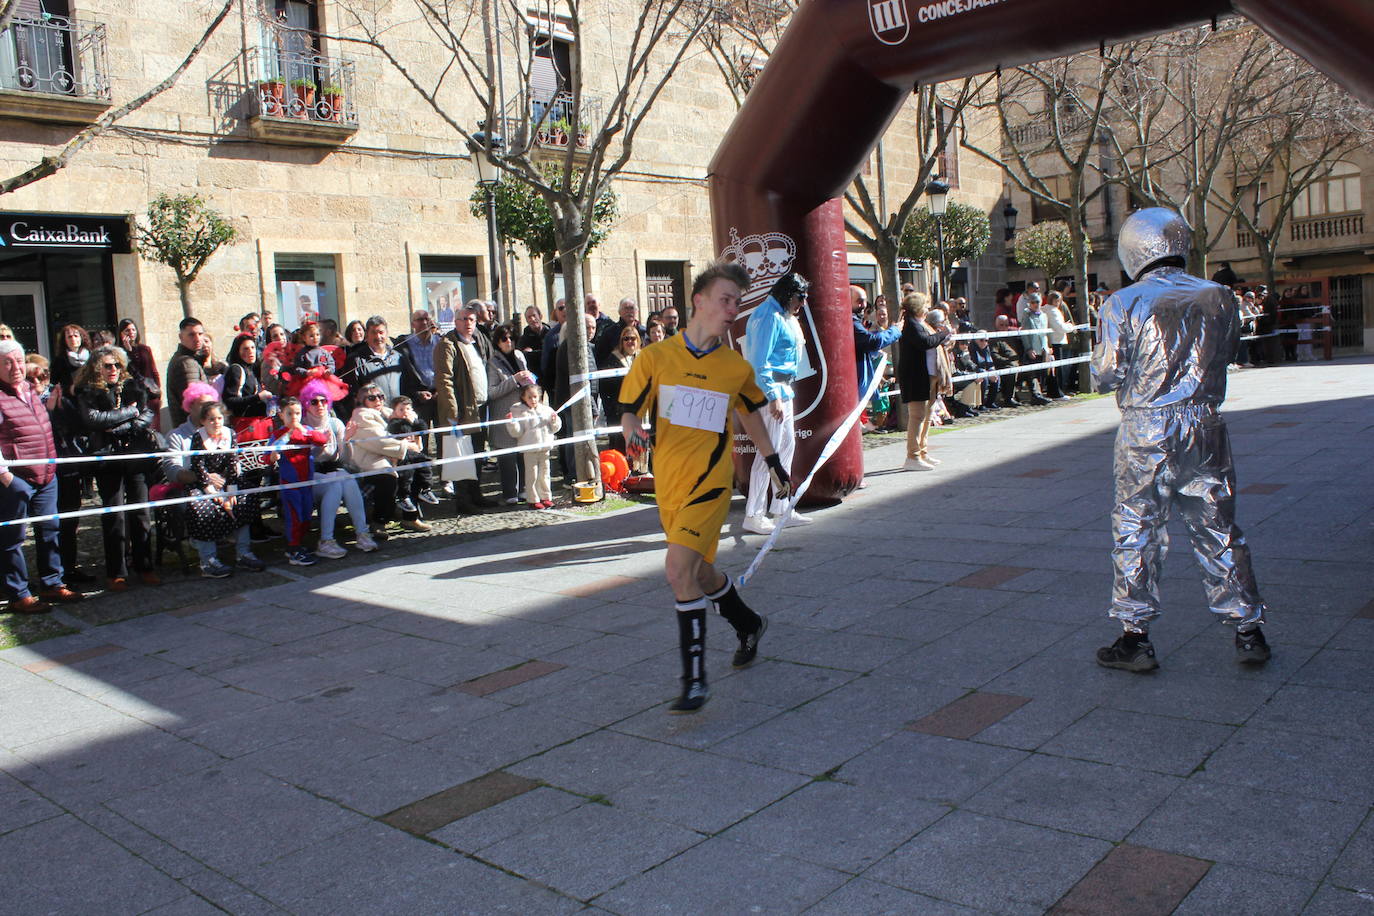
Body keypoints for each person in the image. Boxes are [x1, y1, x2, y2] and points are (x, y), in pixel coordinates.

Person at [1092, 207, 1270, 673]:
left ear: (1133, 248)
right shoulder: (1220, 296)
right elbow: (1228, 352)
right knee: (1218, 525)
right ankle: (1248, 630)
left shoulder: (1121, 302)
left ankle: (1136, 637)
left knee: (1136, 527)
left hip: (1146, 427)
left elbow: (1105, 372)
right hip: (1205, 425)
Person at [618, 262, 789, 714]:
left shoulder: (734, 366)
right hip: (668, 485)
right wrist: (633, 431)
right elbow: (630, 411)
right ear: (699, 300)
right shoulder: (653, 357)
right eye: (725, 299)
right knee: (699, 573)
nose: (733, 308)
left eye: (738, 301)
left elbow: (752, 413)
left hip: (711, 486)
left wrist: (773, 463)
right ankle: (748, 623)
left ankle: (694, 681)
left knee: (678, 571)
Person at [0, 340, 83, 613]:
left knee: (49, 530)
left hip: (46, 475)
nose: (16, 367)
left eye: (19, 361)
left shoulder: (29, 390)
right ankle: (18, 594)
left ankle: (52, 583)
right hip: (17, 478)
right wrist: (5, 476)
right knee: (13, 538)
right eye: (8, 362)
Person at [74, 345, 159, 590]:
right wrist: (129, 412)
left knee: (141, 513)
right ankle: (116, 571)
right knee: (114, 514)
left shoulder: (134, 386)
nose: (113, 370)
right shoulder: (88, 391)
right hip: (107, 458)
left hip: (135, 454)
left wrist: (124, 424)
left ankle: (145, 565)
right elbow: (94, 420)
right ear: (97, 368)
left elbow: (145, 415)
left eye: (117, 365)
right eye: (107, 365)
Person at [742, 272, 811, 535]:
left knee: (785, 447)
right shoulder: (768, 317)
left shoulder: (780, 314)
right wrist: (773, 396)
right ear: (788, 294)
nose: (802, 303)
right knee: (769, 453)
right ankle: (754, 514)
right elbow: (760, 362)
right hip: (771, 390)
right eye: (800, 297)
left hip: (781, 388)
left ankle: (781, 508)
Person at [186, 400, 266, 578]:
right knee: (202, 508)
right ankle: (208, 560)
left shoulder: (230, 434)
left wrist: (231, 492)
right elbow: (198, 466)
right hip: (204, 483)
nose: (216, 423)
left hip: (227, 481)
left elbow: (232, 463)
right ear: (203, 421)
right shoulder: (199, 437)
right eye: (211, 419)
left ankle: (243, 552)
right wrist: (215, 495)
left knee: (245, 499)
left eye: (219, 418)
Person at [300, 379, 377, 557]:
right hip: (311, 475)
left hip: (334, 471)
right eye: (314, 401)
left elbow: (345, 459)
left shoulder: (335, 423)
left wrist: (346, 440)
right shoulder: (304, 427)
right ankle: (326, 540)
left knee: (347, 480)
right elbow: (308, 460)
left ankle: (362, 534)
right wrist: (321, 444)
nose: (320, 405)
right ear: (306, 403)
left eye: (323, 400)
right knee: (335, 483)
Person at [434, 303, 496, 512]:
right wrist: (453, 413)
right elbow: (444, 380)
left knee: (477, 453)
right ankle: (464, 499)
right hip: (462, 410)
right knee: (461, 455)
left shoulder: (477, 341)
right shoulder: (447, 344)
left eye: (472, 319)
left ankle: (476, 493)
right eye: (464, 319)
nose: (468, 323)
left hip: (481, 406)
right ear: (455, 321)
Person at [346, 383, 425, 534]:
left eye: (381, 397)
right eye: (372, 398)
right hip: (370, 459)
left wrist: (411, 424)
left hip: (391, 454)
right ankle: (379, 521)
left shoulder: (391, 413)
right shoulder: (361, 417)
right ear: (363, 401)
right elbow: (379, 442)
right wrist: (406, 446)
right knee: (388, 478)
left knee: (415, 469)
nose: (378, 401)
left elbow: (409, 430)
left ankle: (410, 516)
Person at [271, 395, 331, 565]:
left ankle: (299, 544)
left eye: (297, 413)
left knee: (306, 514)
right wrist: (273, 456)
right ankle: (293, 547)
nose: (294, 417)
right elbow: (267, 456)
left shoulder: (305, 429)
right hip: (290, 484)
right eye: (289, 414)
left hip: (307, 482)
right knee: (294, 516)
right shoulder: (278, 434)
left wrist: (304, 431)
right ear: (281, 415)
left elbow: (321, 440)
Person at [897, 293, 949, 470]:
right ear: (917, 307)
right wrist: (943, 334)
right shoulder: (910, 325)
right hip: (915, 376)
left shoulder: (921, 323)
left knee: (927, 416)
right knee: (917, 416)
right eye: (925, 305)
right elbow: (925, 342)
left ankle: (923, 452)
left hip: (928, 375)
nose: (928, 308)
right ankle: (912, 456)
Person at [485, 325, 536, 504]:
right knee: (507, 458)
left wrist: (530, 381)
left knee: (523, 454)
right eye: (504, 339)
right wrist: (514, 380)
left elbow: (529, 380)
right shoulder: (493, 362)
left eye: (511, 338)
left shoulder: (520, 356)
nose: (509, 342)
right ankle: (509, 494)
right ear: (497, 342)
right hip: (504, 415)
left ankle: (524, 489)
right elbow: (491, 392)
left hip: (522, 414)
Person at [555, 313, 601, 486]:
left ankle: (583, 472)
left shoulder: (588, 346)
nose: (590, 331)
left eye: (593, 327)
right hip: (574, 401)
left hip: (589, 399)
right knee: (575, 438)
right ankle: (573, 475)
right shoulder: (571, 347)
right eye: (586, 327)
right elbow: (580, 380)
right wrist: (594, 408)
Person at [851, 284, 902, 422]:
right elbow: (873, 341)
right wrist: (895, 330)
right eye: (859, 301)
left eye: (865, 301)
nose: (863, 305)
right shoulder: (851, 321)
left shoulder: (855, 320)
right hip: (853, 380)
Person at [506, 384, 560, 508]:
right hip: (530, 449)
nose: (533, 400)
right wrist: (512, 423)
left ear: (539, 396)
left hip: (545, 448)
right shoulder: (518, 411)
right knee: (532, 475)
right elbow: (516, 433)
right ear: (524, 398)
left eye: (535, 397)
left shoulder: (546, 410)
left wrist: (554, 420)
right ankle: (533, 499)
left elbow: (555, 428)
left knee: (545, 474)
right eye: (529, 397)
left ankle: (546, 497)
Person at [342, 316, 405, 416]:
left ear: (387, 333)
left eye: (381, 332)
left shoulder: (398, 357)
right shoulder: (356, 360)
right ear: (367, 335)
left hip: (397, 415)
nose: (378, 337)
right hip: (372, 418)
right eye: (374, 333)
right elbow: (352, 393)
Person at [385, 395, 434, 525]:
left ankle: (426, 488)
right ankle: (404, 497)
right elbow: (400, 430)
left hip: (414, 452)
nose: (405, 412)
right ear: (394, 411)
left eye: (407, 408)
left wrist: (416, 421)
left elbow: (423, 430)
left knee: (426, 463)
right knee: (407, 475)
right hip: (401, 455)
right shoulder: (395, 422)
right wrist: (409, 422)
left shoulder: (413, 420)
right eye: (401, 409)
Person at [598, 322, 641, 459]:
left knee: (639, 444)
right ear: (621, 341)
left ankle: (638, 471)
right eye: (626, 338)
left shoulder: (643, 357)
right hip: (618, 411)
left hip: (640, 409)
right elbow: (605, 388)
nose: (629, 341)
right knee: (619, 446)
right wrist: (612, 408)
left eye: (632, 338)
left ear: (638, 340)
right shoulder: (612, 360)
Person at [166, 317, 211, 427]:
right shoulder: (186, 363)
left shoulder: (189, 359)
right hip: (193, 429)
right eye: (191, 335)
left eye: (200, 334)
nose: (197, 338)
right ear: (181, 337)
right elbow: (196, 403)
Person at [118, 319, 162, 430]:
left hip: (150, 393)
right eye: (127, 330)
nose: (131, 332)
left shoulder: (145, 349)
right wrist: (129, 351)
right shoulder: (119, 352)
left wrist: (158, 390)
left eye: (133, 329)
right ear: (121, 334)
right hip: (134, 395)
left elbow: (154, 371)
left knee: (154, 428)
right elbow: (131, 370)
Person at [223, 333, 273, 420]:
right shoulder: (236, 369)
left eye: (253, 347)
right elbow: (230, 401)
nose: (250, 351)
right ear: (238, 351)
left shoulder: (254, 370)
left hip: (258, 422)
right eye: (245, 348)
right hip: (244, 424)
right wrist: (258, 397)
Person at [595, 298, 647, 363]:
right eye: (626, 308)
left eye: (631, 308)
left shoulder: (644, 331)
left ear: (637, 311)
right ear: (619, 312)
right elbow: (601, 357)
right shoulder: (610, 332)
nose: (629, 311)